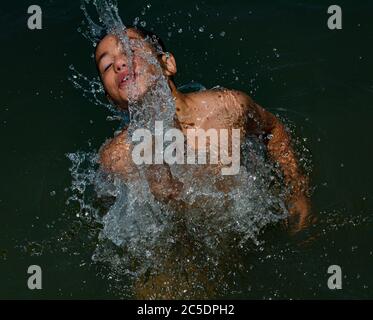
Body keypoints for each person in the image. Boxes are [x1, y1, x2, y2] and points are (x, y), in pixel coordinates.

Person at [95, 26, 311, 232]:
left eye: (132, 50)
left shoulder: (228, 108)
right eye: (107, 66)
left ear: (168, 64)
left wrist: (296, 189)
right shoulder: (117, 158)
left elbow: (272, 130)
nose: (120, 64)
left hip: (243, 223)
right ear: (112, 101)